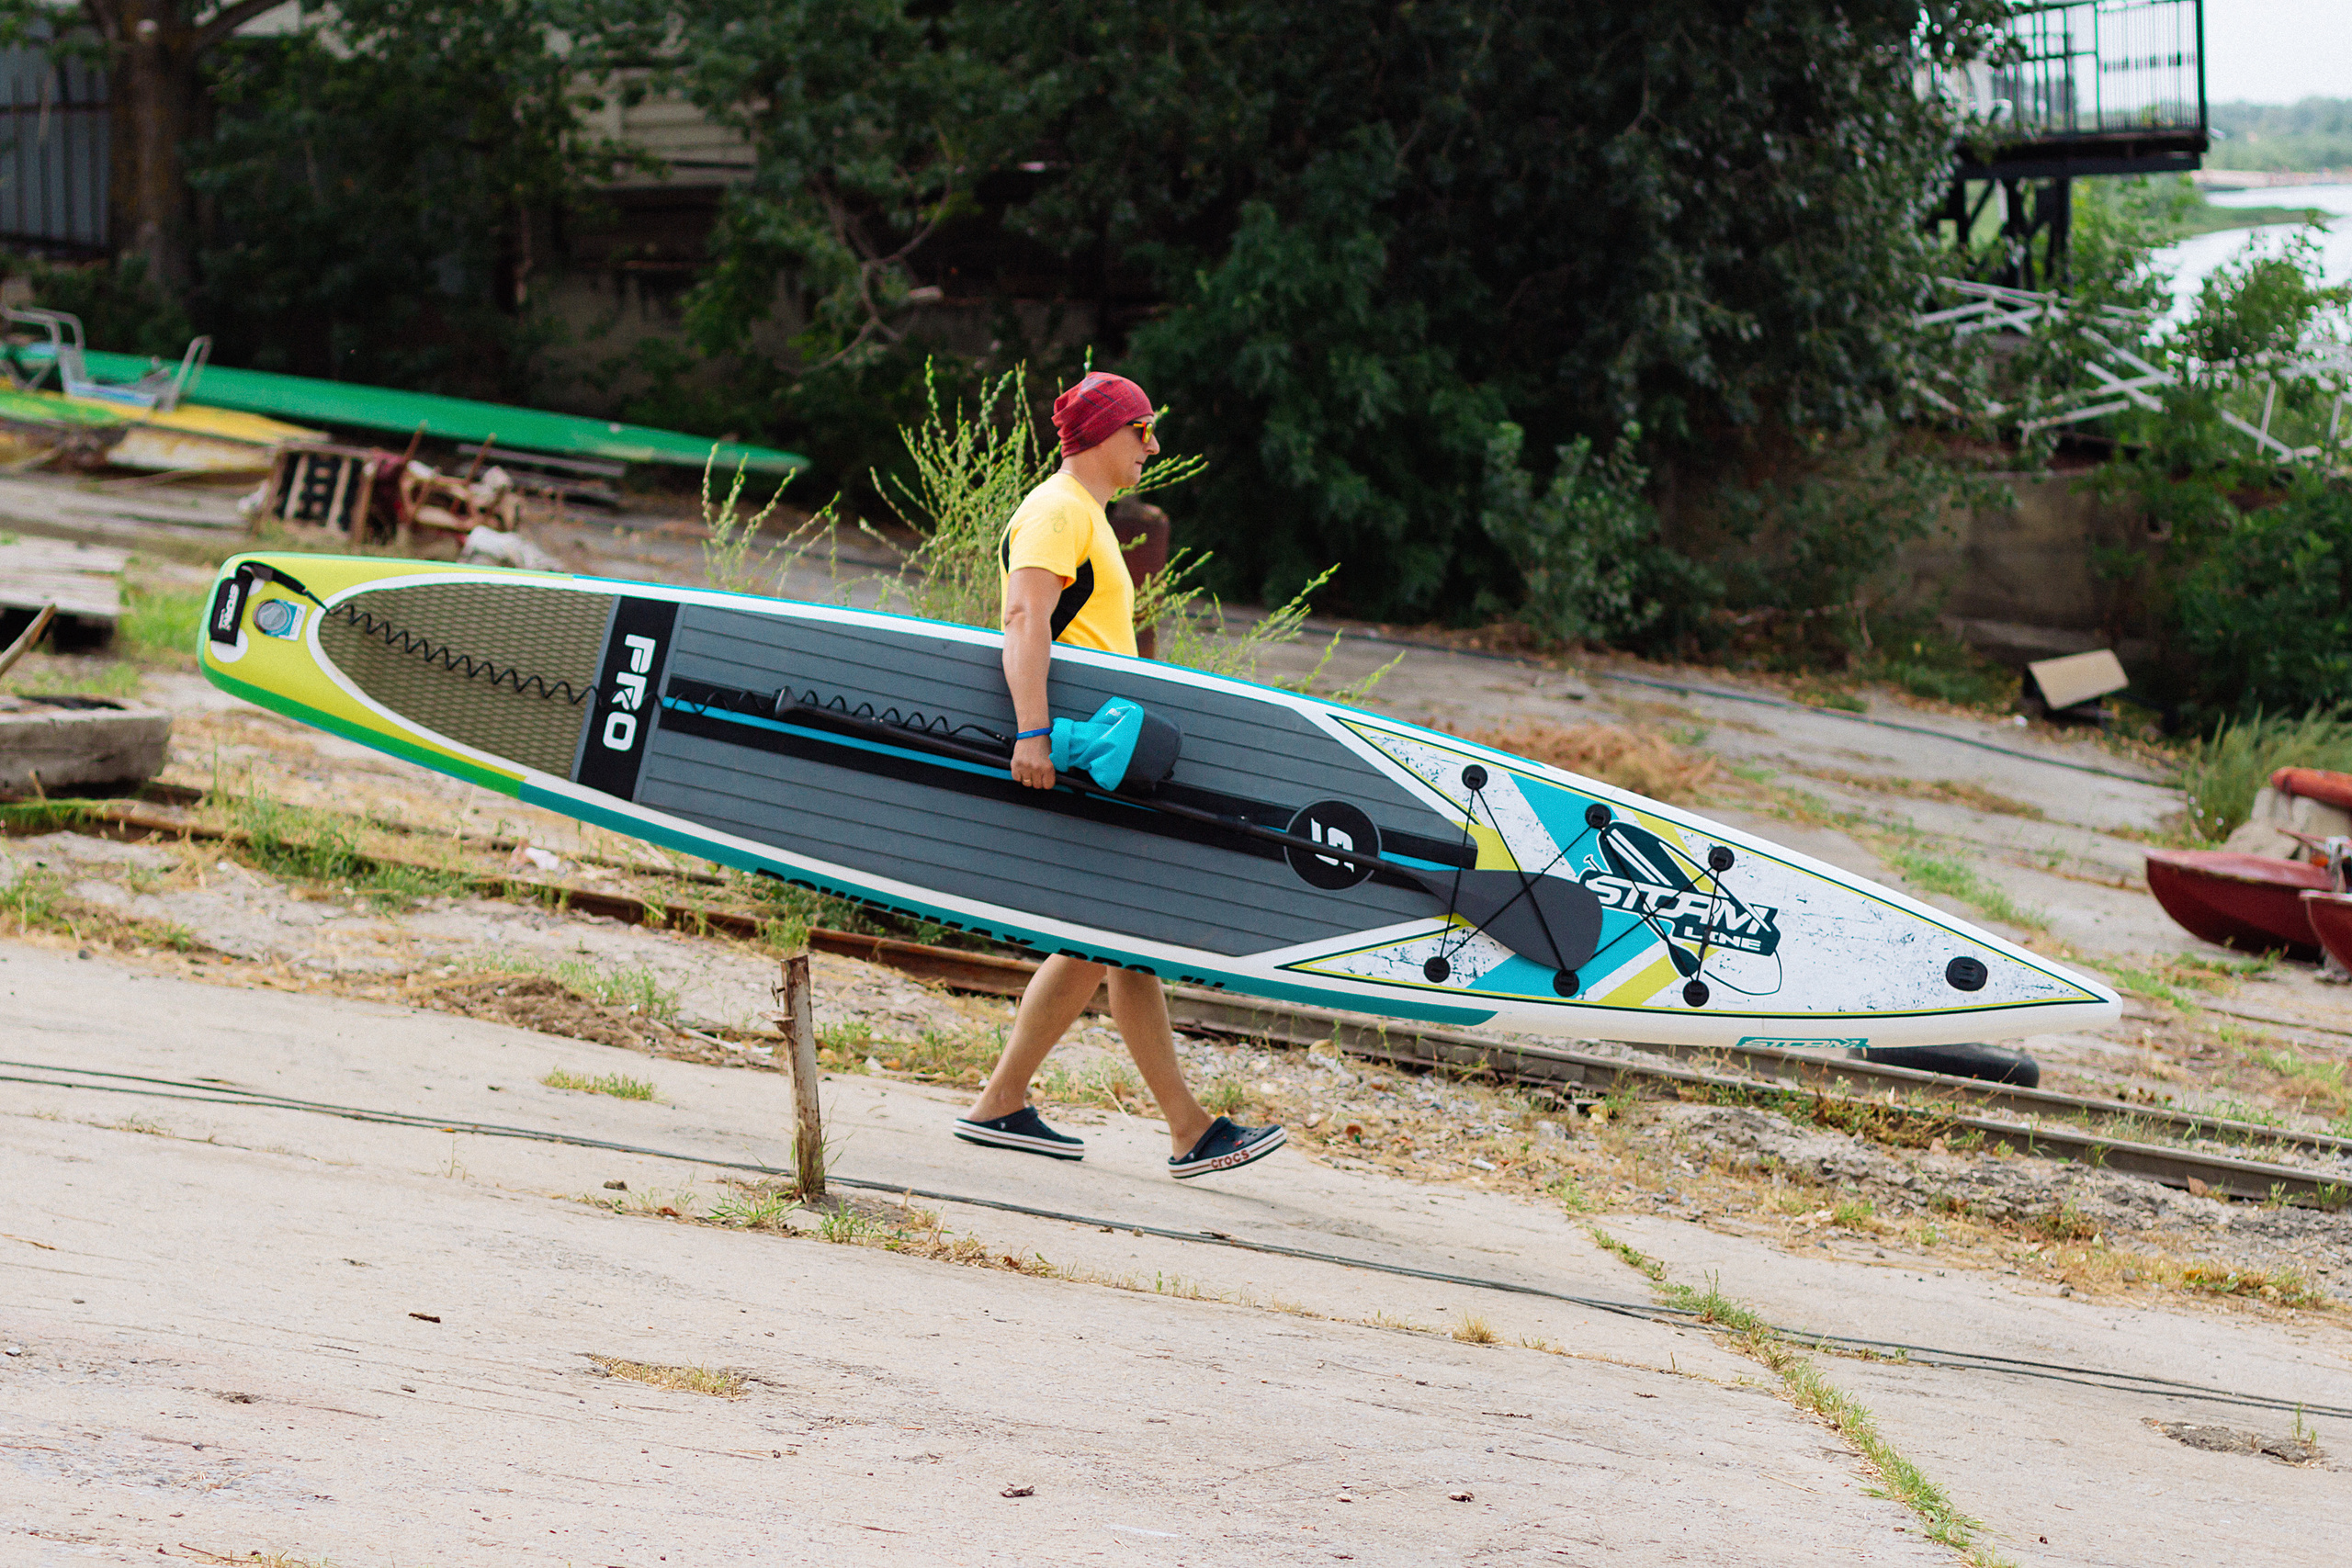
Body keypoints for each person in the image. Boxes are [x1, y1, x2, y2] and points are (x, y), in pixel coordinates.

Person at [953, 371, 1285, 1180]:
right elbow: (1025, 615)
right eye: (1144, 430)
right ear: (1105, 433)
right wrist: (1032, 731)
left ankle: (1006, 1102)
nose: (1154, 446)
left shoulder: (1087, 516)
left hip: (1107, 754)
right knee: (1116, 936)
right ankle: (1189, 1130)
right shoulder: (1059, 509)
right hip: (1080, 750)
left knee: (1110, 939)